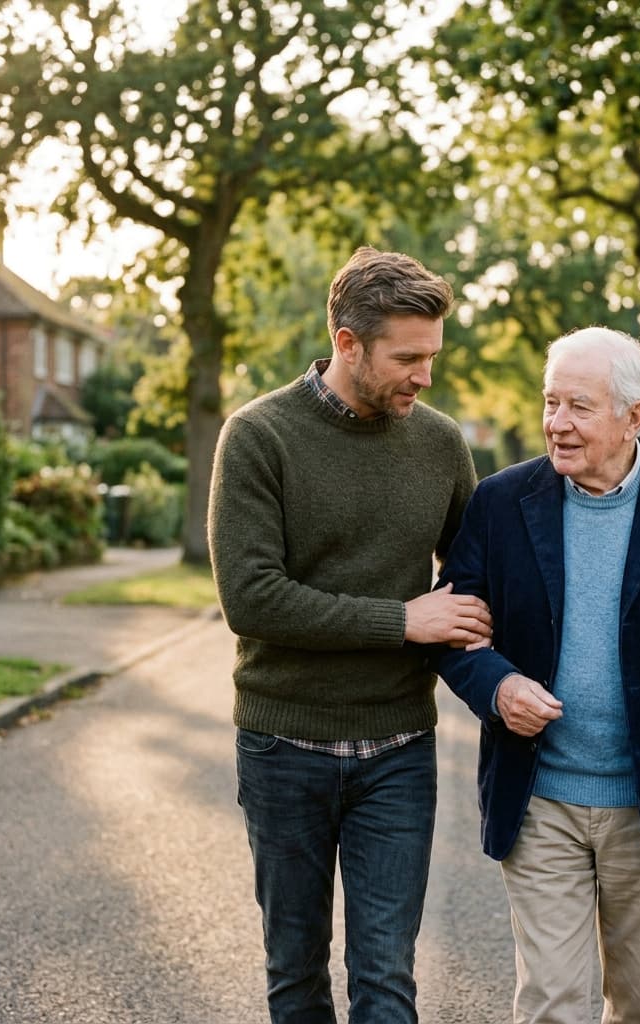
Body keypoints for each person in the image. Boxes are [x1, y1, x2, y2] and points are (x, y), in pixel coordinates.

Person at [433, 326, 640, 1024]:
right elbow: (452, 626)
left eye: (579, 407)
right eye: (550, 402)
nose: (557, 423)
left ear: (634, 417)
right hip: (540, 798)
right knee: (551, 1001)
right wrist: (497, 686)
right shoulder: (499, 503)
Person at [208, 246, 493, 1024]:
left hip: (399, 749)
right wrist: (402, 620)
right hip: (283, 747)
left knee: (386, 978)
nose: (424, 376)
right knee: (296, 973)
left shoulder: (440, 443)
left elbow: (476, 579)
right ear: (348, 343)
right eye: (407, 358)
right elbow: (252, 598)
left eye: (432, 357)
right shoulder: (258, 436)